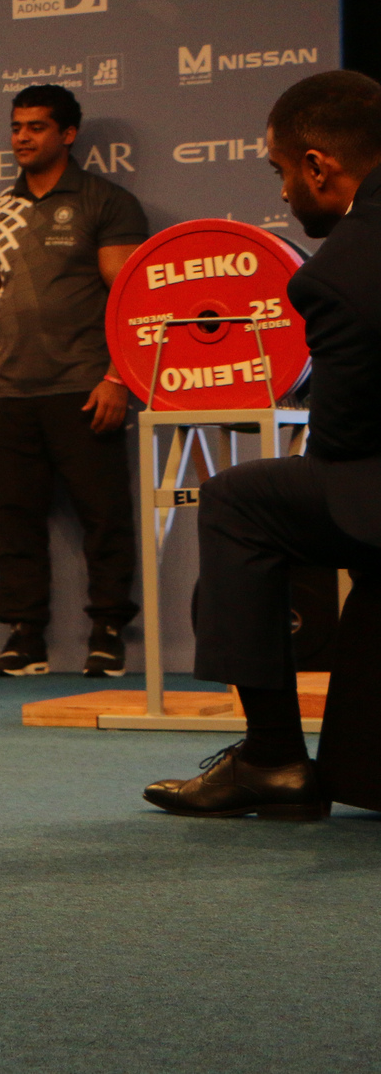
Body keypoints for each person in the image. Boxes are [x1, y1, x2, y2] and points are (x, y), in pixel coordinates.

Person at [146, 70, 381, 820]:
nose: (283, 192)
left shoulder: (341, 268)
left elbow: (343, 442)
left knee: (238, 501)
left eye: (281, 171)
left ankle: (273, 757)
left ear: (319, 165)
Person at [0, 85, 149, 678]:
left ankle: (109, 632)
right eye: (16, 127)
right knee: (14, 519)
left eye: (37, 127)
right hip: (12, 394)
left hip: (85, 388)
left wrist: (119, 377)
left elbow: (132, 295)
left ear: (67, 135)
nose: (22, 138)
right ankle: (24, 637)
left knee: (105, 516)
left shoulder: (106, 202)